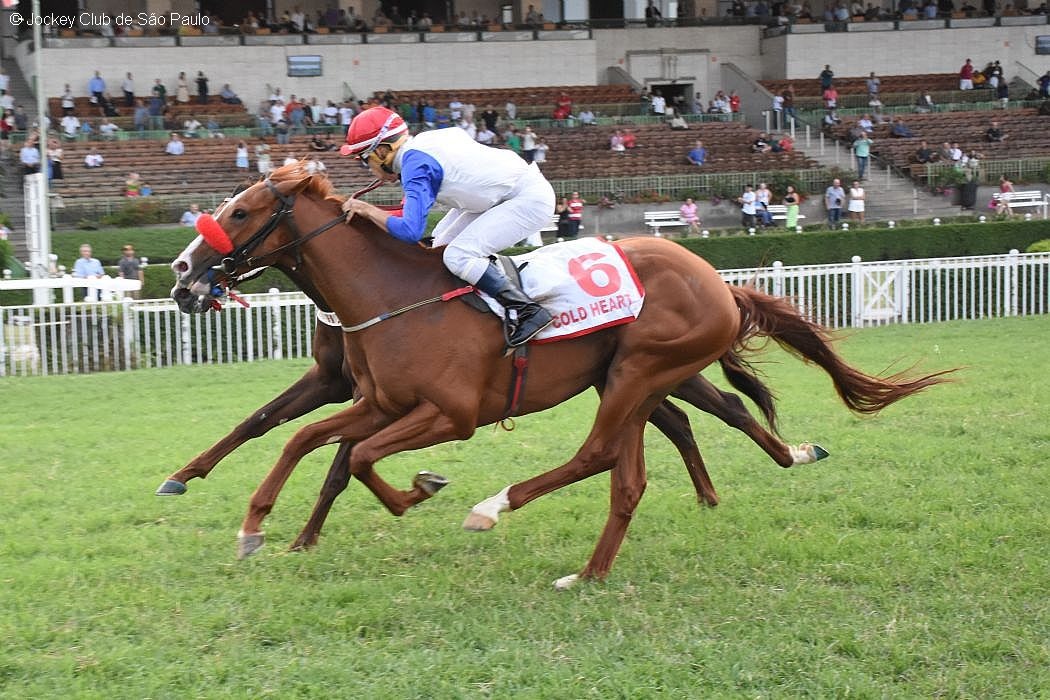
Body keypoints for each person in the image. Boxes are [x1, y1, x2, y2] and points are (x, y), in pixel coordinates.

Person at [337, 106, 555, 346]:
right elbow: (407, 215)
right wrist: (365, 211)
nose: (367, 167)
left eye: (364, 159)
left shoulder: (415, 165)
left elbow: (410, 231)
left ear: (382, 151)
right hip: (498, 195)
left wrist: (367, 210)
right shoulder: (419, 149)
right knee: (439, 244)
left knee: (458, 255)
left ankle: (527, 310)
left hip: (526, 198)